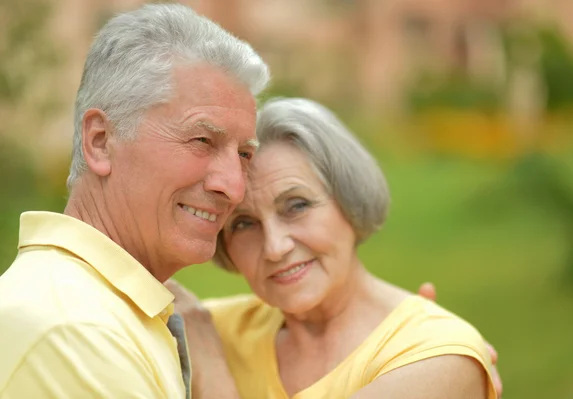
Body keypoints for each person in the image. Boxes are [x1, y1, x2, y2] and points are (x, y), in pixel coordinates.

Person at [0, 3, 269, 398]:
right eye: (201, 140)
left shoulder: (100, 310)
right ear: (101, 141)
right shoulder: (76, 332)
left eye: (244, 154)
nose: (234, 187)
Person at [169, 98, 500, 399]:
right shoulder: (209, 325)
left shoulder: (438, 355)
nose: (274, 247)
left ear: (349, 200)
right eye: (242, 224)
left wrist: (211, 370)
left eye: (296, 206)